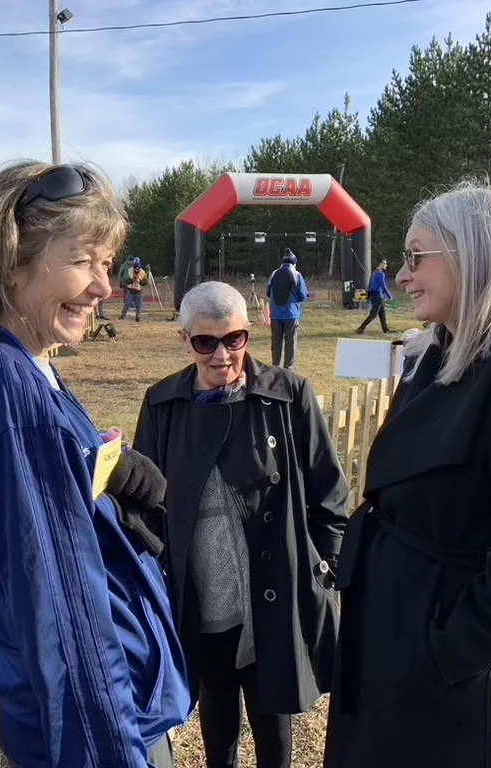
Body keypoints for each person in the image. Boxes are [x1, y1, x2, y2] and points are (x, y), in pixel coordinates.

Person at [323, 182, 491, 768]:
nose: (404, 276)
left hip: (455, 686)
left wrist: (446, 651)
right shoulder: (441, 354)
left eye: (417, 257)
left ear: (473, 256)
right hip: (392, 644)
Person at [0, 161, 191, 768]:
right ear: (12, 256)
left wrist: (108, 490)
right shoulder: (13, 399)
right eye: (83, 260)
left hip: (122, 707)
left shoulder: (28, 366)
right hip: (101, 728)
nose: (105, 288)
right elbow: (63, 620)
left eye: (107, 264)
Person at [134, 281, 348, 768]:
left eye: (234, 339)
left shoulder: (287, 395)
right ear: (185, 340)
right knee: (217, 711)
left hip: (269, 592)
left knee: (273, 716)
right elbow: (146, 503)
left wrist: (326, 563)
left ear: (249, 335)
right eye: (205, 342)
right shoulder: (163, 404)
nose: (221, 355)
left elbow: (328, 488)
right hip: (201, 595)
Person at [266, 249, 310, 369]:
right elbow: (302, 295)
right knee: (291, 343)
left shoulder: (274, 273)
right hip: (291, 314)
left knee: (276, 343)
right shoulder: (297, 275)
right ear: (294, 263)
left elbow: (268, 292)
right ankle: (288, 370)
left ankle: (275, 367)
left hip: (275, 315)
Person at [354, 259, 392, 335]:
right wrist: (389, 296)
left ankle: (386, 329)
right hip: (378, 295)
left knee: (382, 313)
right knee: (373, 314)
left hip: (374, 295)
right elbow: (383, 286)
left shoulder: (374, 273)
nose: (386, 265)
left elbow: (370, 285)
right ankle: (360, 329)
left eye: (386, 264)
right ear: (380, 264)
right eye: (384, 263)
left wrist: (369, 294)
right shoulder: (381, 274)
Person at [119, 257, 148, 321]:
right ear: (134, 267)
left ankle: (138, 317)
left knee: (139, 305)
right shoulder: (129, 271)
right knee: (127, 304)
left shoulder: (143, 272)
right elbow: (126, 280)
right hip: (130, 290)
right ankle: (122, 316)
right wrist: (133, 279)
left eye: (138, 269)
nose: (137, 270)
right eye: (136, 269)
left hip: (139, 291)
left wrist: (140, 281)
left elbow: (145, 282)